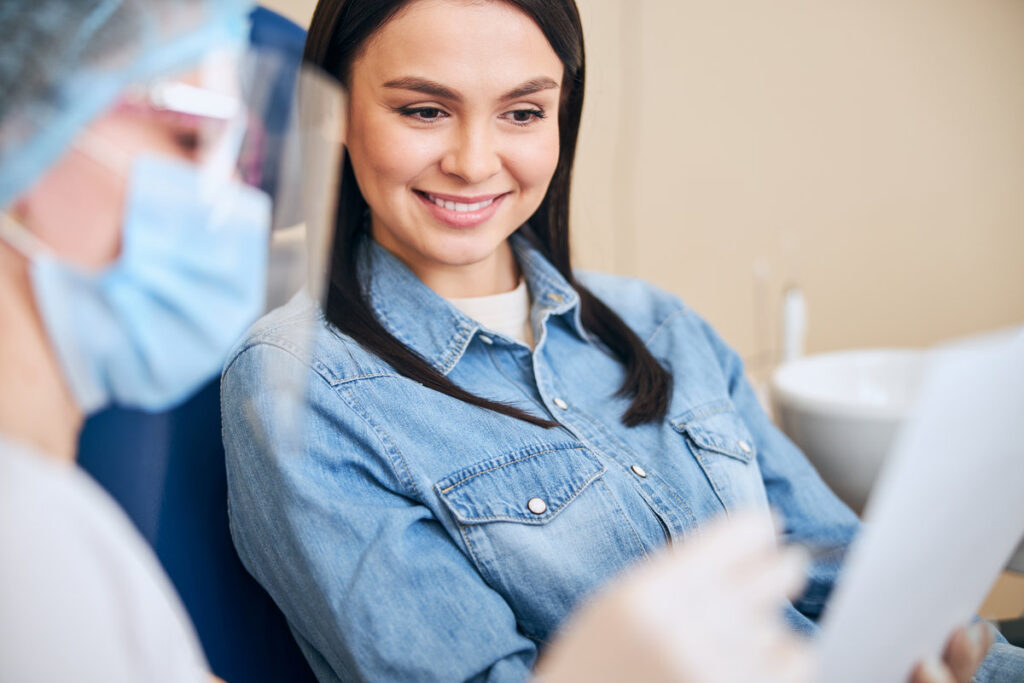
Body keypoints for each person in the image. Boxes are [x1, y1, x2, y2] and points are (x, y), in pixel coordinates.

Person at [220, 0, 1020, 681]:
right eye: (424, 110)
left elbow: (850, 575)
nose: (473, 161)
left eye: (523, 112)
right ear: (334, 112)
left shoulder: (658, 324)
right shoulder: (301, 381)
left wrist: (959, 651)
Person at [0, 1, 345, 680]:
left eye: (237, 159)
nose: (238, 212)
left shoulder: (62, 522)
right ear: (18, 131)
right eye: (189, 139)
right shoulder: (23, 541)